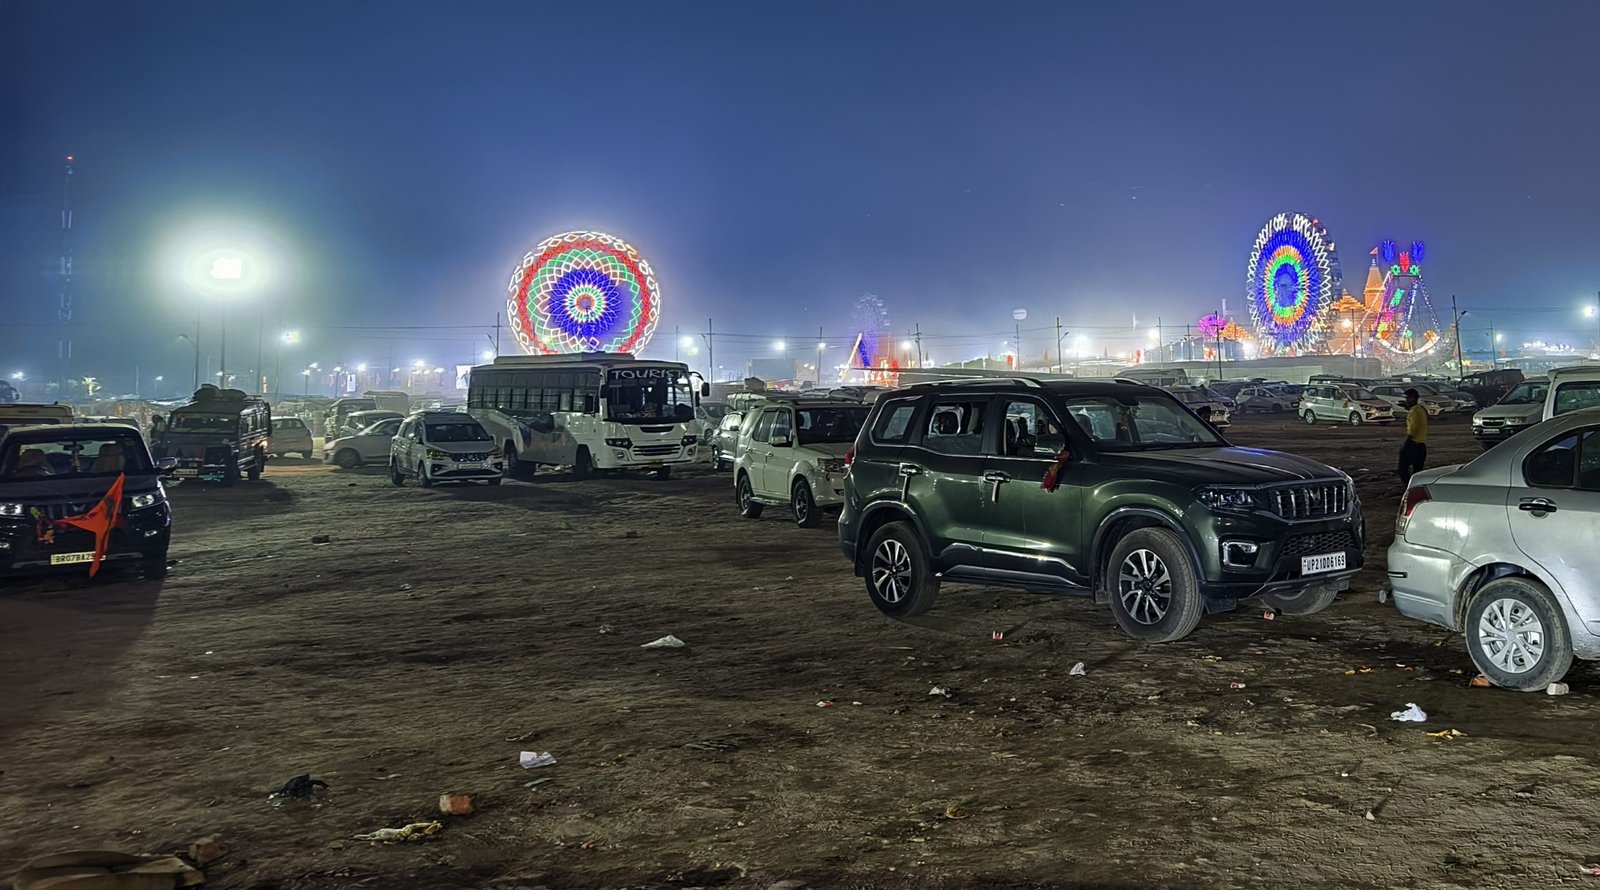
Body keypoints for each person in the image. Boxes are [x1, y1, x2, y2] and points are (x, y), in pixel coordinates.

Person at [1398, 388, 1428, 484]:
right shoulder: (1420, 409)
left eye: (1409, 398)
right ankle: (1416, 487)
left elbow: (1413, 429)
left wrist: (1405, 443)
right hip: (1421, 445)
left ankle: (1408, 487)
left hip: (1413, 445)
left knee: (1402, 469)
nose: (1407, 400)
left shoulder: (1414, 411)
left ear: (1415, 398)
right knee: (1418, 472)